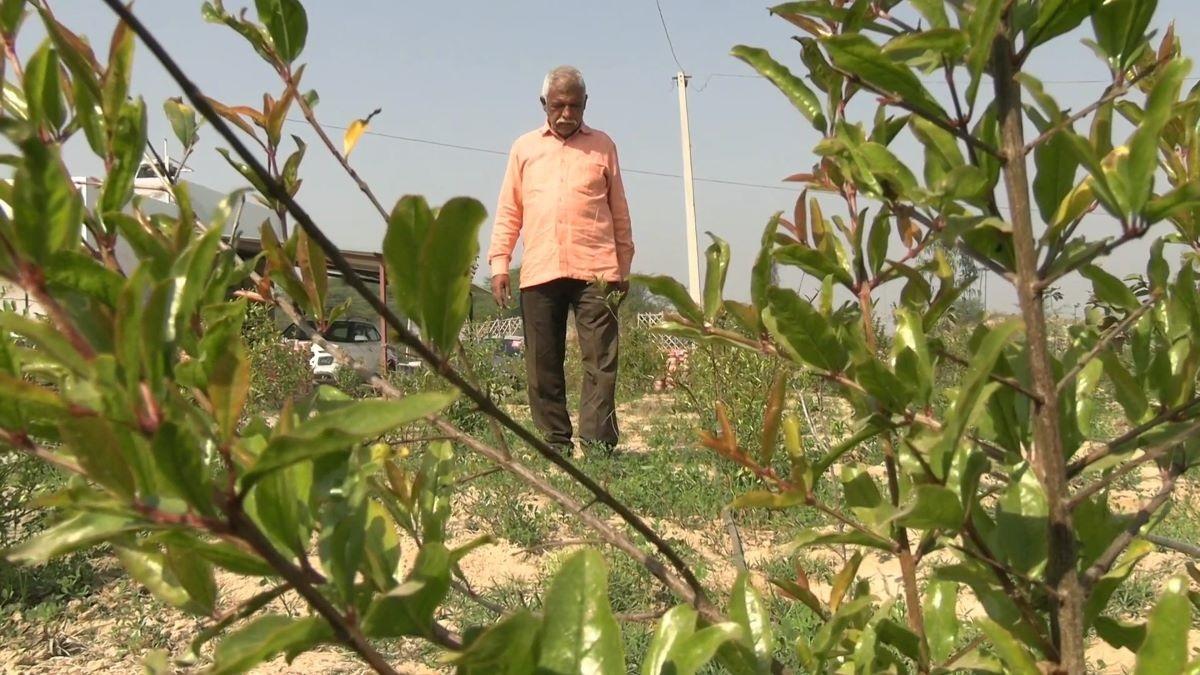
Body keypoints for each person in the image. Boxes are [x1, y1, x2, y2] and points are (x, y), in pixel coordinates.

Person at [487, 65, 634, 455]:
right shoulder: (524, 148)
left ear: (586, 104)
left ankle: (599, 445)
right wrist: (500, 263)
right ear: (544, 105)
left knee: (601, 363)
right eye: (559, 105)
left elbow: (619, 211)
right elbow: (509, 211)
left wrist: (624, 266)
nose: (567, 114)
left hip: (597, 272)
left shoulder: (604, 146)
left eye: (574, 106)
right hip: (540, 270)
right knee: (542, 363)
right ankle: (554, 444)